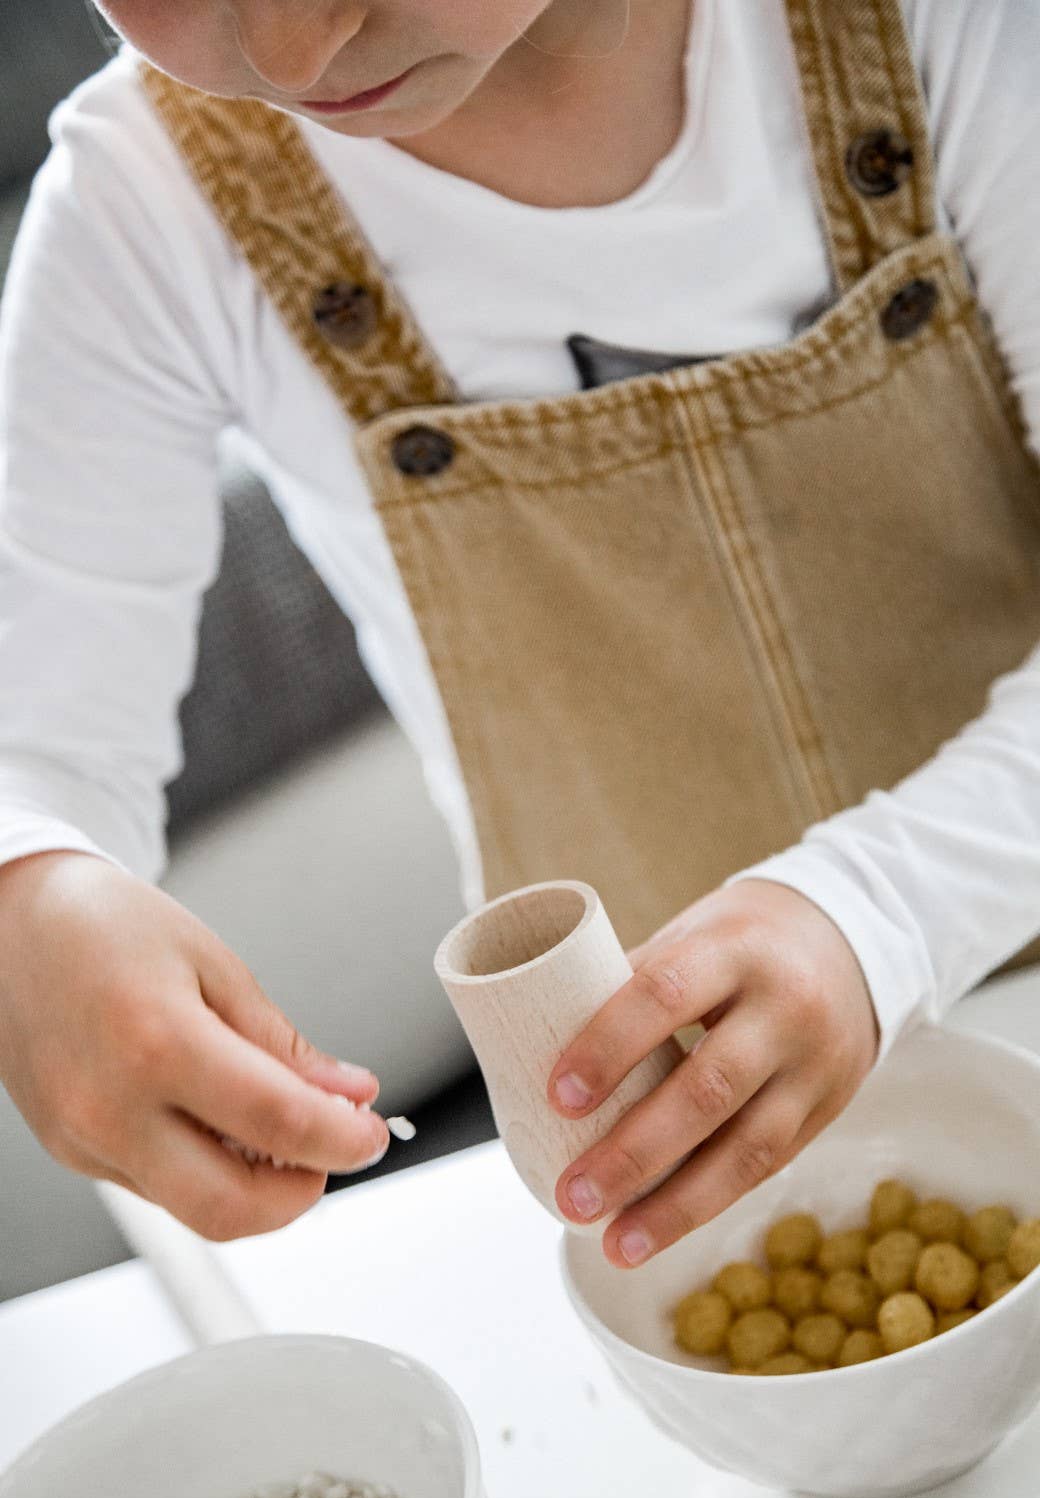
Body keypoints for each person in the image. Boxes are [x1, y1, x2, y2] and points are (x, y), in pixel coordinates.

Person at [1, 0, 1038, 1267]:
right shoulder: (140, 211)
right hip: (662, 1158)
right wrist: (30, 896)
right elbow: (35, 753)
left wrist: (881, 910)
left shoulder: (965, 32)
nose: (286, 56)